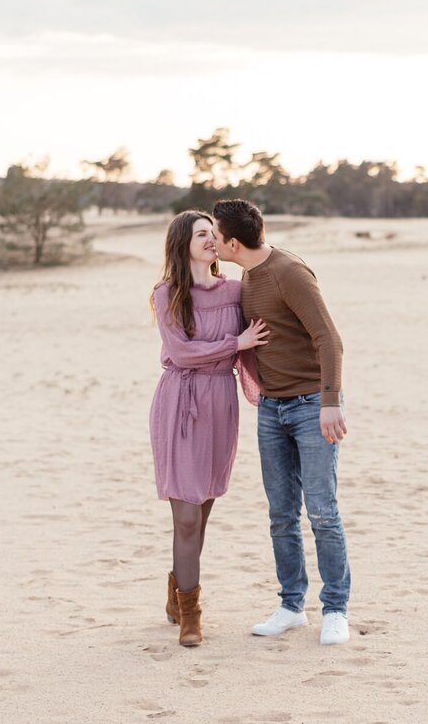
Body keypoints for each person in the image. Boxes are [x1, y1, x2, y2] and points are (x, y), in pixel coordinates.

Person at [211, 199, 352, 646]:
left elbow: (328, 337)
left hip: (313, 406)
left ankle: (335, 610)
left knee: (323, 513)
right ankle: (292, 605)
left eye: (214, 234)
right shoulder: (246, 276)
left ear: (233, 242)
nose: (212, 240)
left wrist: (330, 400)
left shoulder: (289, 272)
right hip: (271, 409)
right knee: (281, 515)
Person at [149, 210, 266, 647]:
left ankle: (176, 592)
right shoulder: (167, 294)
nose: (210, 240)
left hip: (220, 401)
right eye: (201, 234)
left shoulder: (236, 291)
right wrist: (234, 344)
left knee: (203, 512)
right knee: (185, 517)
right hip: (180, 401)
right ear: (183, 243)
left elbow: (263, 332)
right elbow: (181, 353)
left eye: (212, 234)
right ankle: (191, 614)